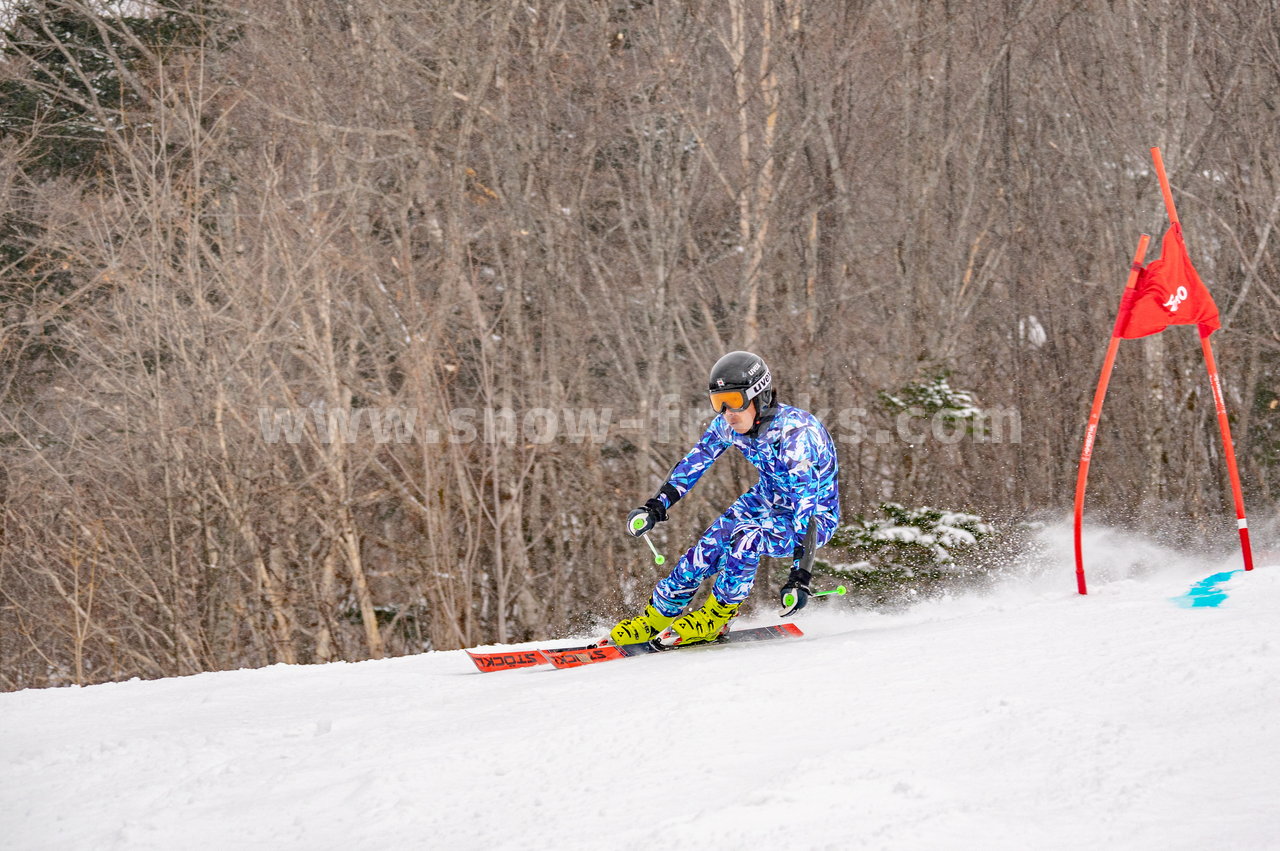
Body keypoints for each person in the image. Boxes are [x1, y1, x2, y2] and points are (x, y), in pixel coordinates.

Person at [611, 351, 840, 645]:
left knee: (748, 537)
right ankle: (657, 616)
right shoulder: (728, 425)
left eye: (734, 401)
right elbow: (695, 463)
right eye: (719, 403)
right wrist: (655, 507)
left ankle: (717, 617)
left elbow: (806, 509)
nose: (727, 413)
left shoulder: (797, 436)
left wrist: (800, 576)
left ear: (761, 397)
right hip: (767, 498)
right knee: (710, 542)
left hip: (812, 516)